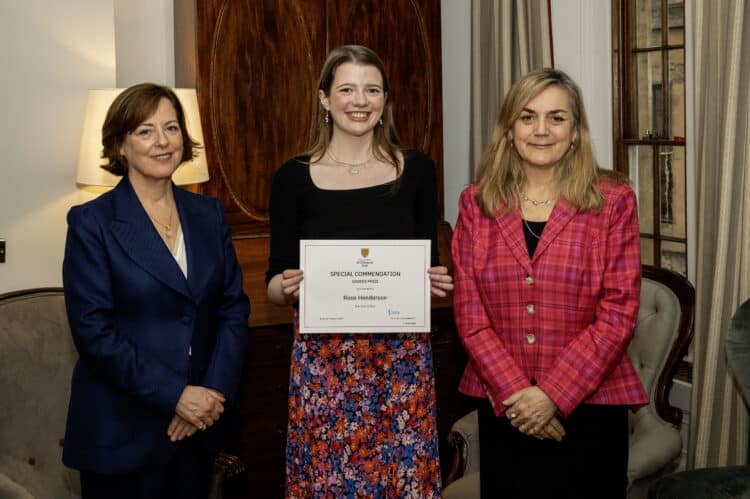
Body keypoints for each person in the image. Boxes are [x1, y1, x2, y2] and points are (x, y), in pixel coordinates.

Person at [265, 45, 453, 498]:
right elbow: (273, 284)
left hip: (401, 367)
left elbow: (427, 269)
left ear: (385, 100)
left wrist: (435, 281)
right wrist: (285, 287)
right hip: (324, 371)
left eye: (372, 89)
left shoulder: (418, 170)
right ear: (324, 98)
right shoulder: (292, 178)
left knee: (402, 482)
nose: (360, 100)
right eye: (346, 89)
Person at [451, 68, 648, 498]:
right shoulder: (475, 203)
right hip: (507, 409)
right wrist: (520, 396)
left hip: (592, 407)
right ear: (509, 129)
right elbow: (470, 315)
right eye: (527, 117)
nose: (542, 130)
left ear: (575, 132)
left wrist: (552, 396)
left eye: (557, 118)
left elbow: (618, 314)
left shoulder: (613, 201)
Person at [62, 83, 250, 499]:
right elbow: (94, 333)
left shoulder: (208, 213)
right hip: (123, 434)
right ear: (120, 145)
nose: (163, 142)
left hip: (198, 430)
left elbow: (233, 309)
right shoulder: (92, 223)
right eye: (146, 131)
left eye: (171, 128)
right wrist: (175, 396)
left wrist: (211, 394)